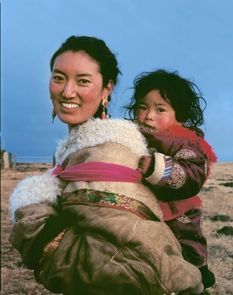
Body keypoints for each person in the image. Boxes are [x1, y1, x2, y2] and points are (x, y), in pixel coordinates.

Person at [9, 36, 204, 295]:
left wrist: (41, 237)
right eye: (58, 77)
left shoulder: (111, 147)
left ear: (107, 89)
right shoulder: (76, 147)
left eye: (83, 81)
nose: (67, 91)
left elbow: (130, 263)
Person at [125, 69, 218, 294]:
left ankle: (198, 276)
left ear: (180, 115)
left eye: (160, 109)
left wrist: (157, 168)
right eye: (142, 107)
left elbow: (192, 174)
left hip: (178, 213)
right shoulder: (134, 135)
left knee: (186, 249)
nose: (148, 115)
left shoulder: (186, 142)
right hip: (146, 210)